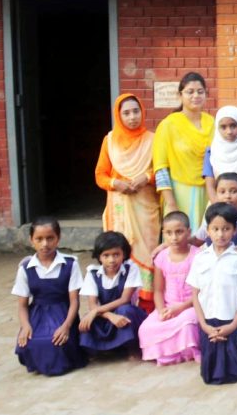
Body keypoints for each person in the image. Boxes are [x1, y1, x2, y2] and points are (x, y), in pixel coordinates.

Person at [95, 93, 159, 310]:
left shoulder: (152, 139)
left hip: (146, 208)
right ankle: (119, 302)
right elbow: (100, 175)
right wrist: (115, 183)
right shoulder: (110, 140)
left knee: (146, 253)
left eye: (136, 111)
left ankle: (146, 305)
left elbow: (162, 170)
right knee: (120, 249)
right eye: (126, 113)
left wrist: (146, 178)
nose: (132, 117)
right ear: (118, 115)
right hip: (120, 206)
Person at [187, 203, 237, 384]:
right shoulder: (200, 258)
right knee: (210, 375)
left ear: (234, 230)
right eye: (215, 229)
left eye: (226, 229)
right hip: (208, 321)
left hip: (233, 320)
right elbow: (195, 294)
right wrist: (203, 324)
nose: (220, 234)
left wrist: (234, 324)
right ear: (208, 230)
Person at [12, 218, 87, 376]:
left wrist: (66, 326)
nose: (45, 244)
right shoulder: (26, 268)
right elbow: (22, 305)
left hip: (64, 313)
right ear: (31, 241)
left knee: (55, 341)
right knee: (30, 342)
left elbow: (74, 302)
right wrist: (25, 326)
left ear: (58, 239)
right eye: (39, 239)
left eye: (50, 238)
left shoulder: (70, 264)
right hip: (37, 315)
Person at [154, 72, 214, 232]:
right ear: (180, 95)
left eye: (200, 91)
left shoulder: (212, 122)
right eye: (190, 91)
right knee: (180, 240)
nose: (196, 96)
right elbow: (160, 167)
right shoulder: (169, 125)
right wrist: (171, 204)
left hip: (208, 191)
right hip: (179, 193)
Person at [139, 211, 201, 366]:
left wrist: (181, 308)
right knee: (145, 329)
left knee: (188, 323)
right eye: (169, 233)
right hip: (168, 307)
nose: (174, 237)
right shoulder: (161, 257)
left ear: (189, 232)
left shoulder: (198, 256)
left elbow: (202, 291)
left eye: (179, 232)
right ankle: (170, 351)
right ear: (163, 234)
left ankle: (185, 351)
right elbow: (158, 291)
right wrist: (161, 311)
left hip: (191, 305)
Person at [78, 231, 147, 355]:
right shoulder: (93, 273)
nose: (111, 260)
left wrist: (96, 311)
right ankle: (104, 350)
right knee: (88, 320)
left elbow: (124, 299)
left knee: (124, 310)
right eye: (106, 255)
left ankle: (129, 348)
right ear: (99, 257)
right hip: (104, 314)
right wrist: (109, 316)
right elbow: (93, 305)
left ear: (124, 254)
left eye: (116, 254)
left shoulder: (131, 268)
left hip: (126, 313)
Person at [191, 172, 237, 265]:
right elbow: (197, 241)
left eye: (234, 191)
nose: (228, 196)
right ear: (216, 194)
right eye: (222, 192)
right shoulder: (210, 218)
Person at [204, 106, 237, 213]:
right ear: (217, 128)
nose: (229, 131)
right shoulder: (211, 153)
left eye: (233, 126)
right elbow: (210, 187)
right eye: (223, 127)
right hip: (216, 207)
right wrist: (219, 213)